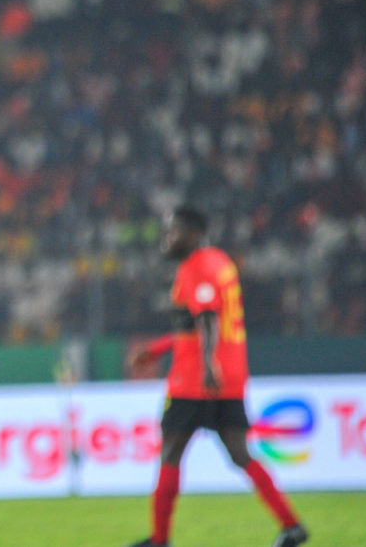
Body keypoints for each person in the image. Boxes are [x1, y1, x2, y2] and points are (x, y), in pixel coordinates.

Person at [127, 206, 308, 547]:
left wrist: (209, 365)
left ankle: (159, 540)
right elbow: (196, 325)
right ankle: (291, 525)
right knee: (240, 452)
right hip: (231, 374)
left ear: (193, 234)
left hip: (196, 379)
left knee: (170, 451)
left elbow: (207, 318)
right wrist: (158, 349)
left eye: (174, 231)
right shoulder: (221, 263)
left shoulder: (196, 267)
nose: (167, 239)